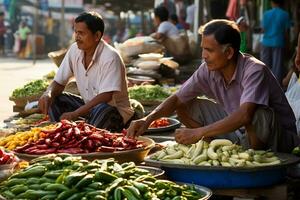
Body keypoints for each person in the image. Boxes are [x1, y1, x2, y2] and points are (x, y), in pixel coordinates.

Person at [127, 19, 300, 153]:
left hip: (278, 138)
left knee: (257, 114)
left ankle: (251, 157)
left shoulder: (254, 70)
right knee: (185, 104)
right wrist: (147, 120)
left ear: (229, 52)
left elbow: (245, 115)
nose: (203, 55)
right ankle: (223, 147)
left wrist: (199, 132)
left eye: (209, 50)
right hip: (240, 130)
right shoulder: (208, 69)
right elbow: (177, 98)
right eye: (203, 49)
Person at [38, 11, 134, 132]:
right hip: (88, 107)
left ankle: (85, 136)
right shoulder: (74, 50)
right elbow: (59, 81)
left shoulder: (110, 57)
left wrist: (75, 114)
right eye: (76, 32)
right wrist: (48, 93)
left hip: (114, 112)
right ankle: (60, 134)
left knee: (102, 109)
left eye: (81, 33)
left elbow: (106, 96)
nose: (77, 37)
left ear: (97, 36)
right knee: (56, 99)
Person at [260, 0, 290, 85]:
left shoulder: (266, 13)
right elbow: (286, 32)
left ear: (272, 2)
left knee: (265, 65)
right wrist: (288, 44)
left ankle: (264, 84)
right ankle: (275, 86)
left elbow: (263, 30)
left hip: (266, 42)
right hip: (278, 42)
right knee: (277, 66)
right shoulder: (285, 14)